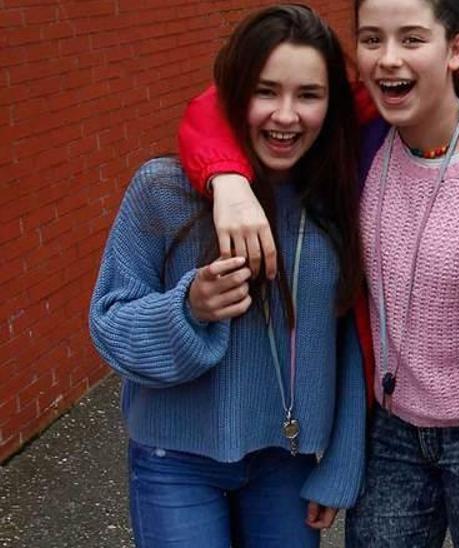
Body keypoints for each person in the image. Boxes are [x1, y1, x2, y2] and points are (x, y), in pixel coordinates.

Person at [173, 0, 459, 546]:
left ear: (455, 49)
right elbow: (228, 103)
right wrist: (225, 179)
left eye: (412, 39)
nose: (389, 59)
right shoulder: (357, 137)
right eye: (372, 40)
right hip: (389, 432)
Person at [88, 5, 366, 547]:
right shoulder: (163, 191)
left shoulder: (335, 200)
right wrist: (188, 308)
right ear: (234, 92)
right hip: (176, 461)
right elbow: (108, 324)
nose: (285, 116)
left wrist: (340, 463)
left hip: (284, 462)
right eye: (266, 91)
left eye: (308, 95)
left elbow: (353, 339)